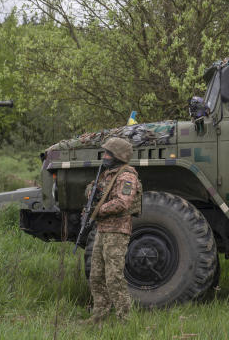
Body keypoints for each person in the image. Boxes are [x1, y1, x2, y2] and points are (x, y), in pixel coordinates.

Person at [85, 137, 142, 323]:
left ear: (118, 156)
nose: (105, 156)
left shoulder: (127, 176)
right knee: (96, 275)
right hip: (103, 230)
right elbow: (98, 194)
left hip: (117, 231)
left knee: (113, 278)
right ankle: (99, 315)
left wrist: (97, 211)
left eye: (108, 153)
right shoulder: (107, 174)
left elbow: (122, 202)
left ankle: (124, 319)